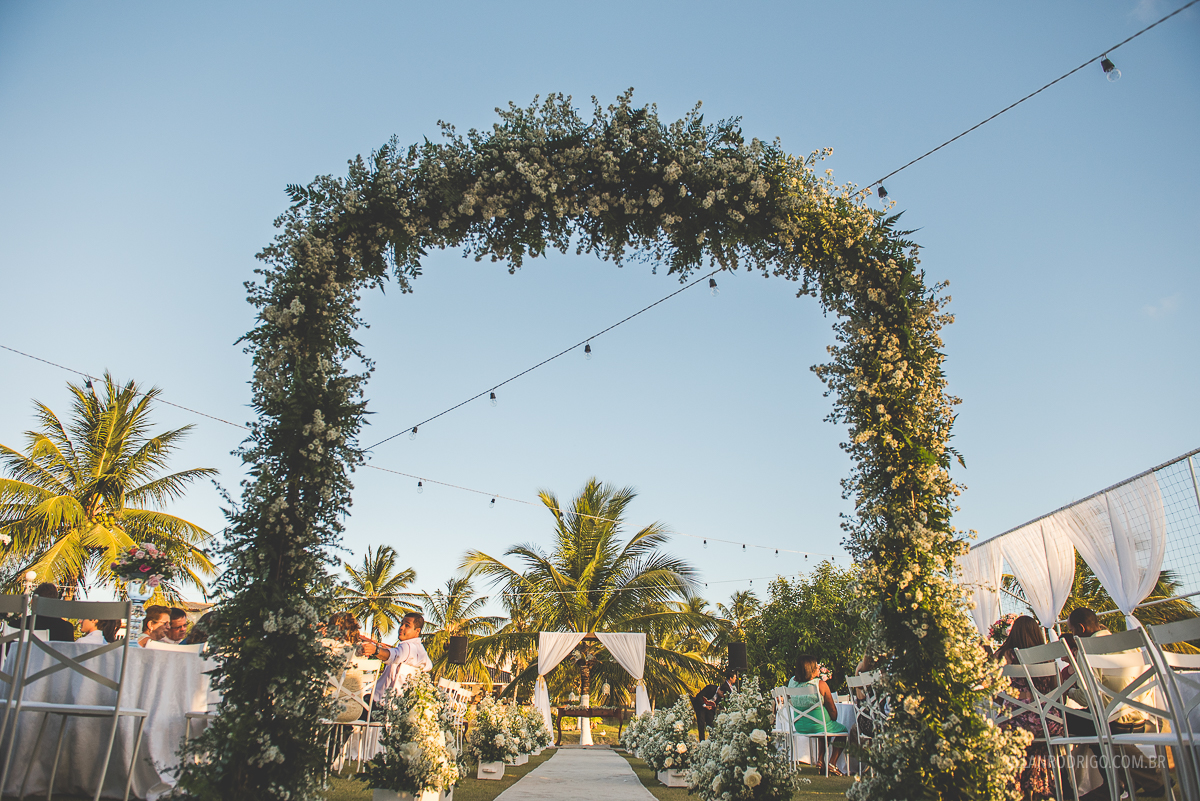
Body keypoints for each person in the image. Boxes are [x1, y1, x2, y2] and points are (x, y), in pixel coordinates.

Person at [1060, 608, 1163, 800]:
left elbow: (1086, 698)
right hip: (1141, 717)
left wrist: (1068, 690)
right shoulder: (1128, 643)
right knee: (1094, 726)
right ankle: (1118, 783)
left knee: (1061, 718)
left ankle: (1143, 781)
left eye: (1072, 631)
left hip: (1113, 724)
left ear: (1080, 629)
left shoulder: (1087, 650)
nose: (1073, 636)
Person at [993, 615, 1062, 800]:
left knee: (1005, 727)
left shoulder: (1002, 655)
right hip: (1048, 722)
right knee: (1042, 740)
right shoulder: (1047, 655)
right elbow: (1056, 691)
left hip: (1015, 722)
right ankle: (1042, 787)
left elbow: (995, 692)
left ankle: (1015, 789)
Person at [788, 654, 847, 776]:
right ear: (810, 669)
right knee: (841, 730)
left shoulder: (791, 683)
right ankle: (832, 763)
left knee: (826, 726)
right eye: (816, 666)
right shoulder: (820, 684)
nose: (818, 668)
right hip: (818, 726)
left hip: (798, 725)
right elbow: (833, 712)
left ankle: (820, 760)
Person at [359, 612, 431, 700]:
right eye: (402, 624)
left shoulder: (408, 647)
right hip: (398, 703)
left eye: (407, 625)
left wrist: (376, 650)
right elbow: (429, 666)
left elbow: (394, 655)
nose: (401, 628)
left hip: (378, 702)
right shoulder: (421, 651)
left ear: (417, 631)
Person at [692, 670, 738, 741]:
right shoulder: (710, 688)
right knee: (701, 723)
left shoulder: (720, 697)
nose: (722, 695)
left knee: (710, 723)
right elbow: (699, 696)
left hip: (710, 708)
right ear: (720, 690)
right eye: (722, 693)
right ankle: (702, 741)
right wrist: (704, 705)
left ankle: (712, 740)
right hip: (701, 706)